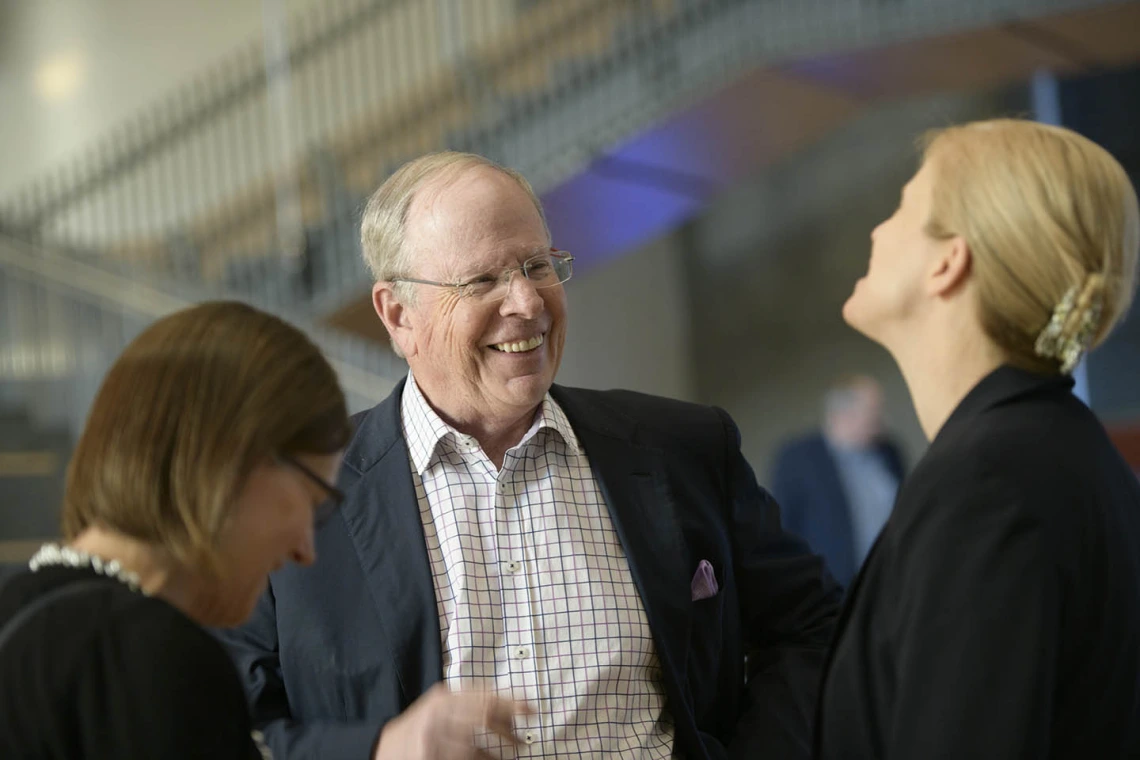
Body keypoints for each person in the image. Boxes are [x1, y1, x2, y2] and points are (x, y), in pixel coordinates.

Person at [217, 151, 842, 760]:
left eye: (537, 265)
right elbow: (228, 725)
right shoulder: (294, 491)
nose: (527, 303)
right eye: (483, 280)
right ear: (399, 314)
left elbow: (811, 629)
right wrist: (381, 751)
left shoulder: (684, 448)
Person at [815, 119, 1140, 758]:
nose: (878, 230)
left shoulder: (987, 483)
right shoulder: (1065, 451)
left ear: (948, 261)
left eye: (905, 206)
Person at [0, 301, 352, 759]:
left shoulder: (24, 608)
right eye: (309, 498)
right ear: (228, 461)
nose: (306, 547)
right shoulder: (149, 658)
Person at [770, 375, 905, 587]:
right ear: (846, 414)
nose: (883, 419)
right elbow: (783, 529)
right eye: (874, 412)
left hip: (891, 583)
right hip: (832, 591)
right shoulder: (797, 458)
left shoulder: (889, 452)